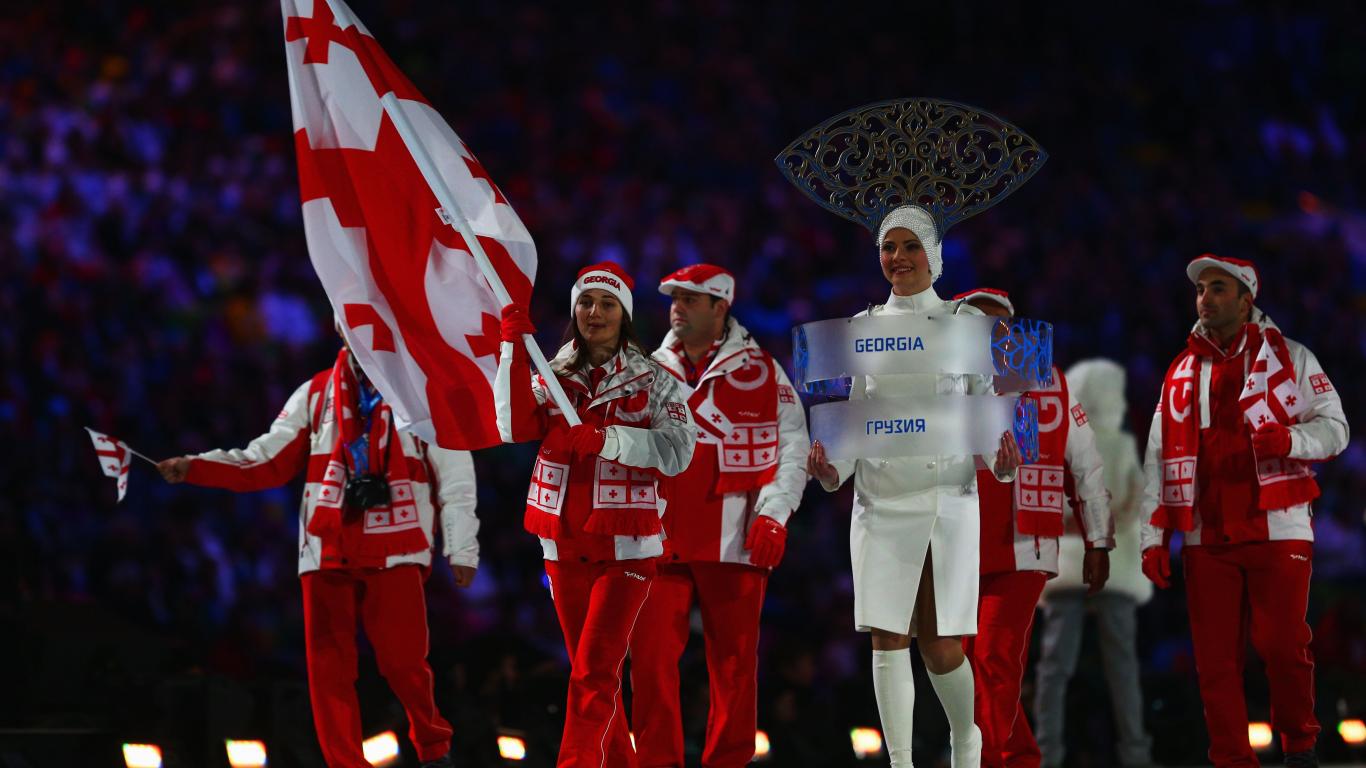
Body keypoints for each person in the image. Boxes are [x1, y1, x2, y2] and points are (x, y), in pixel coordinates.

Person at [157, 334, 479, 768]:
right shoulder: (316, 392)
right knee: (329, 669)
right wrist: (196, 466)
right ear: (341, 328)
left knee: (403, 662)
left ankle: (433, 745)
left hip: (396, 544)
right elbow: (265, 459)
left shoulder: (422, 390)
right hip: (327, 544)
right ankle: (345, 763)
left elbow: (455, 476)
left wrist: (462, 546)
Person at [806, 205, 1023, 768]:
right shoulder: (863, 328)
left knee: (941, 644)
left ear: (933, 255)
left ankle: (966, 740)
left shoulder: (964, 325)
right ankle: (900, 763)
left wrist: (1002, 462)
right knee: (886, 636)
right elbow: (857, 411)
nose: (897, 258)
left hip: (947, 497)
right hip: (880, 500)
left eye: (909, 246)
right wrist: (832, 471)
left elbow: (986, 406)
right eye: (888, 247)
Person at [1140, 255, 1348, 768]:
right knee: (1214, 661)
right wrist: (1152, 537)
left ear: (1246, 300)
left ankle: (1300, 748)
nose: (1205, 298)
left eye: (1218, 288)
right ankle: (1231, 758)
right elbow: (1158, 456)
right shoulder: (1181, 371)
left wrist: (1291, 440)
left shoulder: (1293, 357)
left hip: (1278, 523)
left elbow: (1336, 429)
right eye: (1201, 290)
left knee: (1282, 644)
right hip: (1206, 534)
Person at [494, 261, 696, 768]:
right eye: (585, 302)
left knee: (594, 673)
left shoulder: (656, 378)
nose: (595, 312)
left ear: (624, 314)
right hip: (562, 543)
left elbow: (679, 452)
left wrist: (610, 440)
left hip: (627, 547)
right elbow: (512, 425)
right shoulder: (552, 372)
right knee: (591, 675)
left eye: (608, 303)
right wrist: (511, 352)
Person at [629, 263, 810, 768]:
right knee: (649, 661)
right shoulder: (647, 368)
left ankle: (728, 762)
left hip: (735, 536)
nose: (677, 308)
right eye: (674, 298)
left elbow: (793, 447)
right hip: (659, 536)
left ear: (720, 307)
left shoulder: (763, 370)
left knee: (734, 665)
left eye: (690, 299)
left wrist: (774, 515)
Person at [952, 289, 1114, 768]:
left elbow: (1085, 463)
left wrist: (1098, 540)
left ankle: (988, 761)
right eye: (976, 322)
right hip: (956, 544)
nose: (990, 332)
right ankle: (1019, 755)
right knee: (965, 666)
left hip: (1025, 542)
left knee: (994, 657)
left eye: (998, 323)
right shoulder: (942, 384)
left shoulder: (1048, 380)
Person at [1033, 358, 1154, 768]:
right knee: (1114, 666)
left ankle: (1049, 755)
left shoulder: (1065, 443)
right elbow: (1133, 503)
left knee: (1059, 667)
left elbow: (1054, 506)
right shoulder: (1104, 445)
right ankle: (1132, 754)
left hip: (1075, 563)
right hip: (1101, 563)